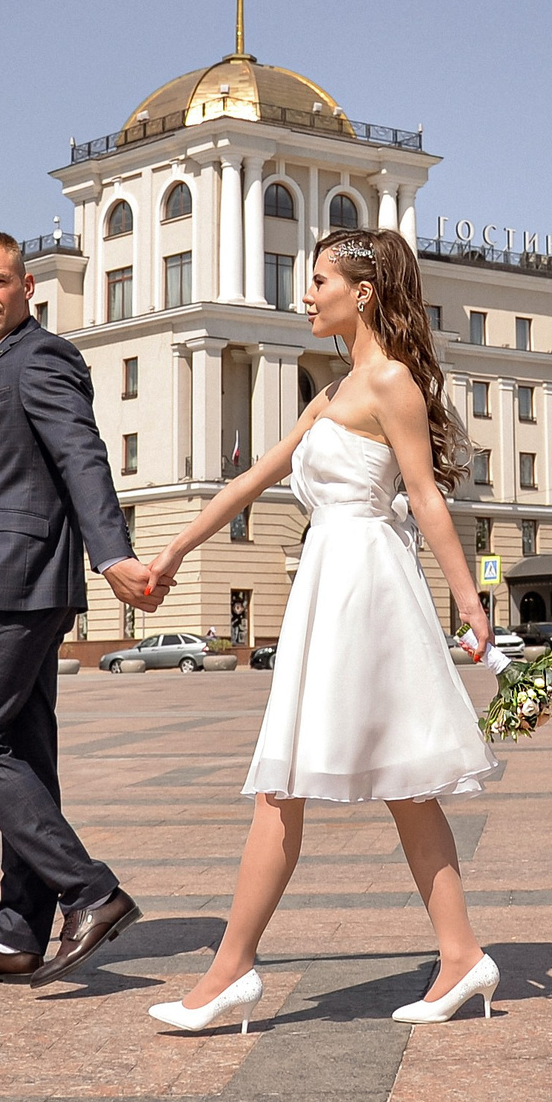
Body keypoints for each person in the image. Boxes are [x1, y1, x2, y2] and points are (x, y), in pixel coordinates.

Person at [140, 228, 503, 1034]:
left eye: (317, 281)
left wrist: (470, 604)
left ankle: (231, 972)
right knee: (392, 787)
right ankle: (460, 956)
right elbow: (247, 483)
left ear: (361, 293)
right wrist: (168, 553)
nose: (305, 295)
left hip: (365, 586)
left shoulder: (391, 384)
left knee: (305, 782)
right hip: (329, 583)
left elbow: (427, 497)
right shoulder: (330, 395)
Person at [0, 230, 166, 988]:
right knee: (24, 757)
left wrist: (112, 550)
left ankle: (92, 892)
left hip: (13, 584)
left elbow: (81, 455)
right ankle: (17, 931)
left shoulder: (42, 357)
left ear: (28, 287)